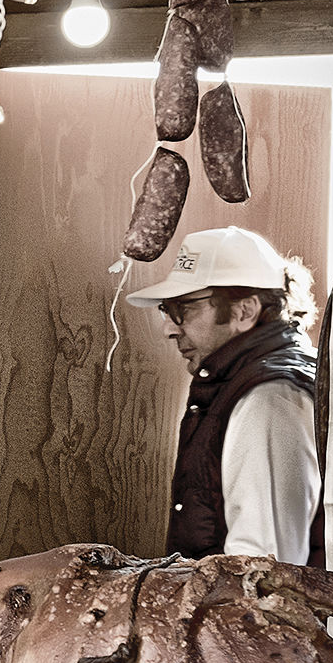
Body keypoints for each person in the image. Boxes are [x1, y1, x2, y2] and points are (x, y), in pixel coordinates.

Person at [125, 226, 322, 564]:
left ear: (244, 311)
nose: (169, 328)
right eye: (166, 310)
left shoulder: (269, 400)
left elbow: (262, 570)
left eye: (183, 308)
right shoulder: (246, 384)